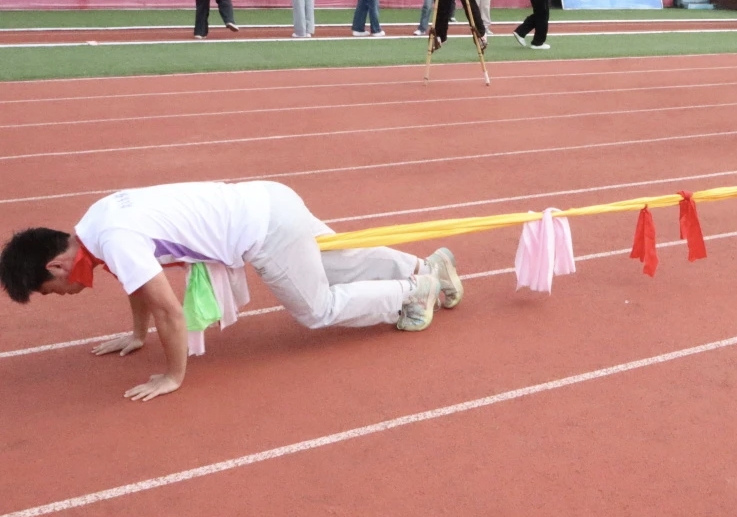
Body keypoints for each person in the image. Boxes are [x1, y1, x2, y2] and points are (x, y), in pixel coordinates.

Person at [0, 181, 466, 401]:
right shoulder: (95, 221)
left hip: (264, 230)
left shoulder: (114, 240)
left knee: (317, 308)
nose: (60, 295)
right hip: (268, 197)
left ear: (56, 266)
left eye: (49, 291)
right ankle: (426, 267)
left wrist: (172, 376)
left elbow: (169, 311)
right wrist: (137, 335)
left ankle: (414, 291)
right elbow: (136, 285)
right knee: (334, 262)